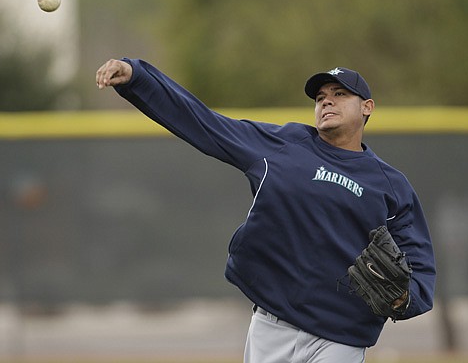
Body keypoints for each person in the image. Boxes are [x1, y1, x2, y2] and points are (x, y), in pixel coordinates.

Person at [96, 59, 436, 363]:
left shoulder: (391, 185)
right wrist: (137, 78)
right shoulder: (284, 145)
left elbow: (419, 265)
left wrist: (406, 299)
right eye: (320, 98)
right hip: (274, 324)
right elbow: (204, 123)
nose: (326, 101)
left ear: (367, 107)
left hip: (342, 336)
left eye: (339, 94)